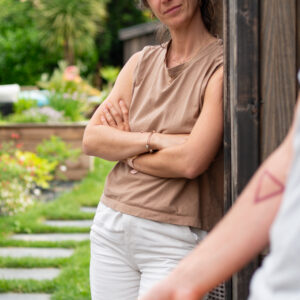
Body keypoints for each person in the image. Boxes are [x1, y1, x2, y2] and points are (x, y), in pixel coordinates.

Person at [82, 0, 224, 299]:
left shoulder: (220, 66)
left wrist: (126, 149)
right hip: (112, 226)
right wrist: (155, 141)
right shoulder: (140, 62)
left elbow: (190, 161)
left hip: (174, 237)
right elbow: (93, 138)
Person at [140, 73, 300, 300]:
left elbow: (190, 162)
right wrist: (184, 281)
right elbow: (290, 162)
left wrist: (134, 154)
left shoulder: (216, 73)